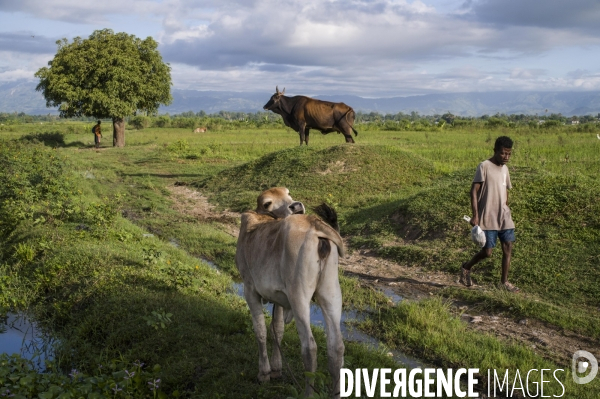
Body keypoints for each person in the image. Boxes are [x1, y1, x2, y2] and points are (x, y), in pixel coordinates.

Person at [459, 136, 520, 292]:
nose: (506, 157)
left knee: (508, 247)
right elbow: (474, 191)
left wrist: (505, 207)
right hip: (487, 216)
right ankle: (466, 267)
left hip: (504, 216)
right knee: (487, 252)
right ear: (495, 151)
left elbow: (505, 190)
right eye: (503, 153)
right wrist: (475, 215)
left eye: (509, 154)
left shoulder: (505, 169)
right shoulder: (484, 166)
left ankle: (504, 282)